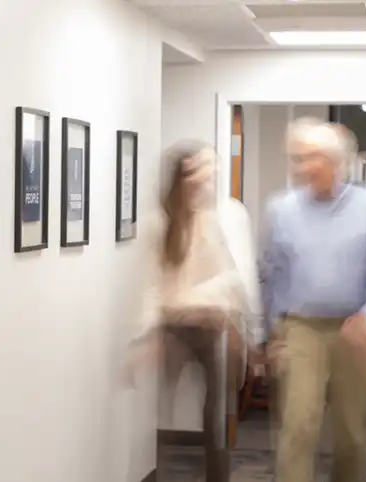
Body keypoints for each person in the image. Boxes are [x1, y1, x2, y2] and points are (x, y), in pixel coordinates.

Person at [262, 117, 366, 482]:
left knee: (351, 434)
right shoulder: (281, 209)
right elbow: (273, 274)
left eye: (310, 158)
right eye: (296, 158)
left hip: (354, 330)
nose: (301, 167)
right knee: (299, 426)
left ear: (335, 162)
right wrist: (272, 331)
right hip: (300, 328)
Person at [125, 141, 264, 482]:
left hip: (211, 326)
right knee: (159, 417)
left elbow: (231, 276)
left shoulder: (212, 221)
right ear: (181, 178)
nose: (206, 179)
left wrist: (241, 329)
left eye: (208, 171)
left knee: (216, 419)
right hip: (172, 328)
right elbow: (151, 286)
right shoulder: (158, 225)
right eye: (197, 171)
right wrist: (143, 337)